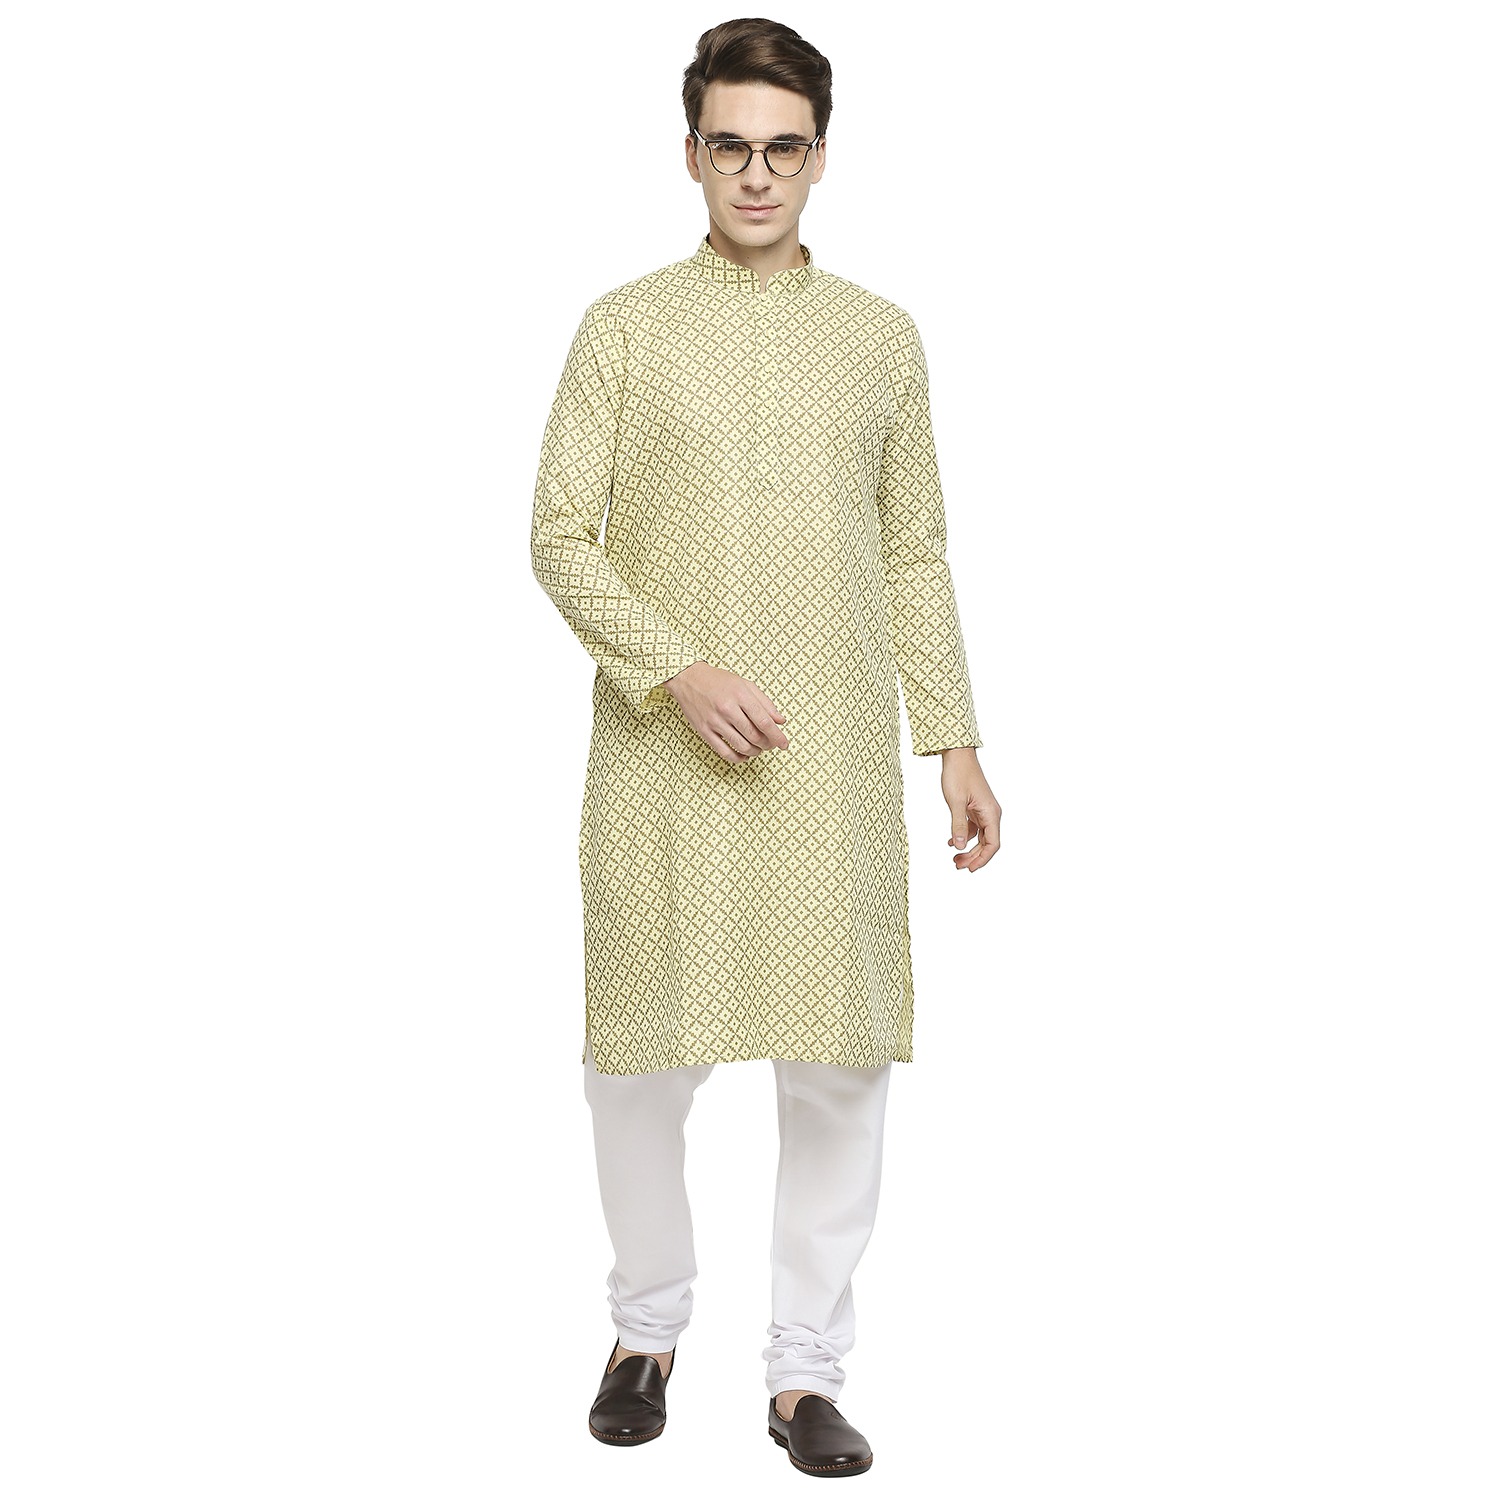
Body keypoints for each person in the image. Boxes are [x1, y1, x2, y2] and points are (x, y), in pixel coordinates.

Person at [530, 17, 1001, 1477]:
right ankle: (645, 1331)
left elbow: (913, 551)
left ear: (820, 158)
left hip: (830, 749)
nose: (755, 174)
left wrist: (954, 737)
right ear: (690, 154)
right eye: (729, 146)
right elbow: (557, 537)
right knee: (638, 1065)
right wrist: (675, 670)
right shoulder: (624, 326)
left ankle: (805, 1374)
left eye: (782, 148)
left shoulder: (881, 338)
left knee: (838, 1066)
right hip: (664, 758)